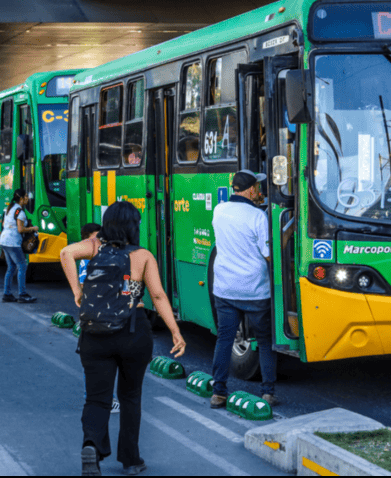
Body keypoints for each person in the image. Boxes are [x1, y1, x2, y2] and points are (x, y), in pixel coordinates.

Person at [60, 201, 186, 476]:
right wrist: (175, 332)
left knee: (96, 398)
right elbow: (158, 296)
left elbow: (65, 253)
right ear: (134, 226)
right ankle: (130, 460)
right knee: (130, 397)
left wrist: (77, 292)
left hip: (95, 333)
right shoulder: (142, 256)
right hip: (133, 331)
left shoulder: (94, 247)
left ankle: (91, 445)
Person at [210, 169, 279, 409]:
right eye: (258, 188)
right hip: (254, 290)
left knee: (224, 339)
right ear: (251, 190)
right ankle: (268, 393)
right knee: (264, 340)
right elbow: (268, 254)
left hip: (225, 289)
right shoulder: (258, 216)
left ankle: (218, 392)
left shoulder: (219, 211)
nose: (260, 192)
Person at [76, 223, 121, 415]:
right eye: (95, 237)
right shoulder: (88, 259)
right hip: (98, 316)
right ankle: (104, 401)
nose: (99, 241)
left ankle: (96, 399)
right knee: (102, 360)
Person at [0, 189, 38, 303]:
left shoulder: (9, 208)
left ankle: (7, 294)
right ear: (21, 198)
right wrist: (33, 228)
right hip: (13, 242)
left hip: (4, 240)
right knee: (22, 266)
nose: (28, 198)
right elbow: (20, 229)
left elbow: (3, 223)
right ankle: (22, 294)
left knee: (11, 267)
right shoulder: (20, 212)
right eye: (26, 196)